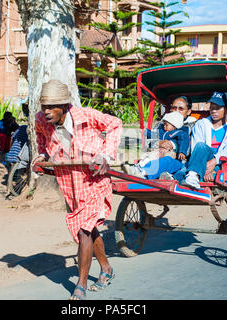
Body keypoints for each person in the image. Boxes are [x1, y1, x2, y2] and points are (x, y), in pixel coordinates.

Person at [33, 79, 122, 300]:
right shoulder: (40, 121)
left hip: (93, 179)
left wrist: (105, 155)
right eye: (43, 106)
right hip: (69, 182)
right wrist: (43, 156)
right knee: (89, 229)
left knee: (83, 230)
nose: (46, 112)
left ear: (64, 105)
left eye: (51, 107)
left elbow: (115, 124)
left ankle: (80, 285)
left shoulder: (87, 115)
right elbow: (42, 140)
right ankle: (107, 269)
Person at [176, 91, 227, 189]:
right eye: (212, 107)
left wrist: (214, 162)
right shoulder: (201, 124)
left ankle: (193, 176)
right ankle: (179, 178)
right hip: (201, 161)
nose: (213, 111)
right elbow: (196, 148)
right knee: (182, 170)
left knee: (190, 166)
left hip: (220, 163)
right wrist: (206, 165)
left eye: (218, 108)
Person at [122, 111, 189, 179]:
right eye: (164, 124)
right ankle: (136, 169)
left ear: (174, 126)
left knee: (164, 161)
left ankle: (143, 172)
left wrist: (182, 151)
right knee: (147, 157)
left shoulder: (179, 133)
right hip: (156, 153)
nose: (164, 126)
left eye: (167, 125)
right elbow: (152, 134)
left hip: (171, 155)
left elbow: (184, 141)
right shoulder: (161, 131)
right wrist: (145, 131)